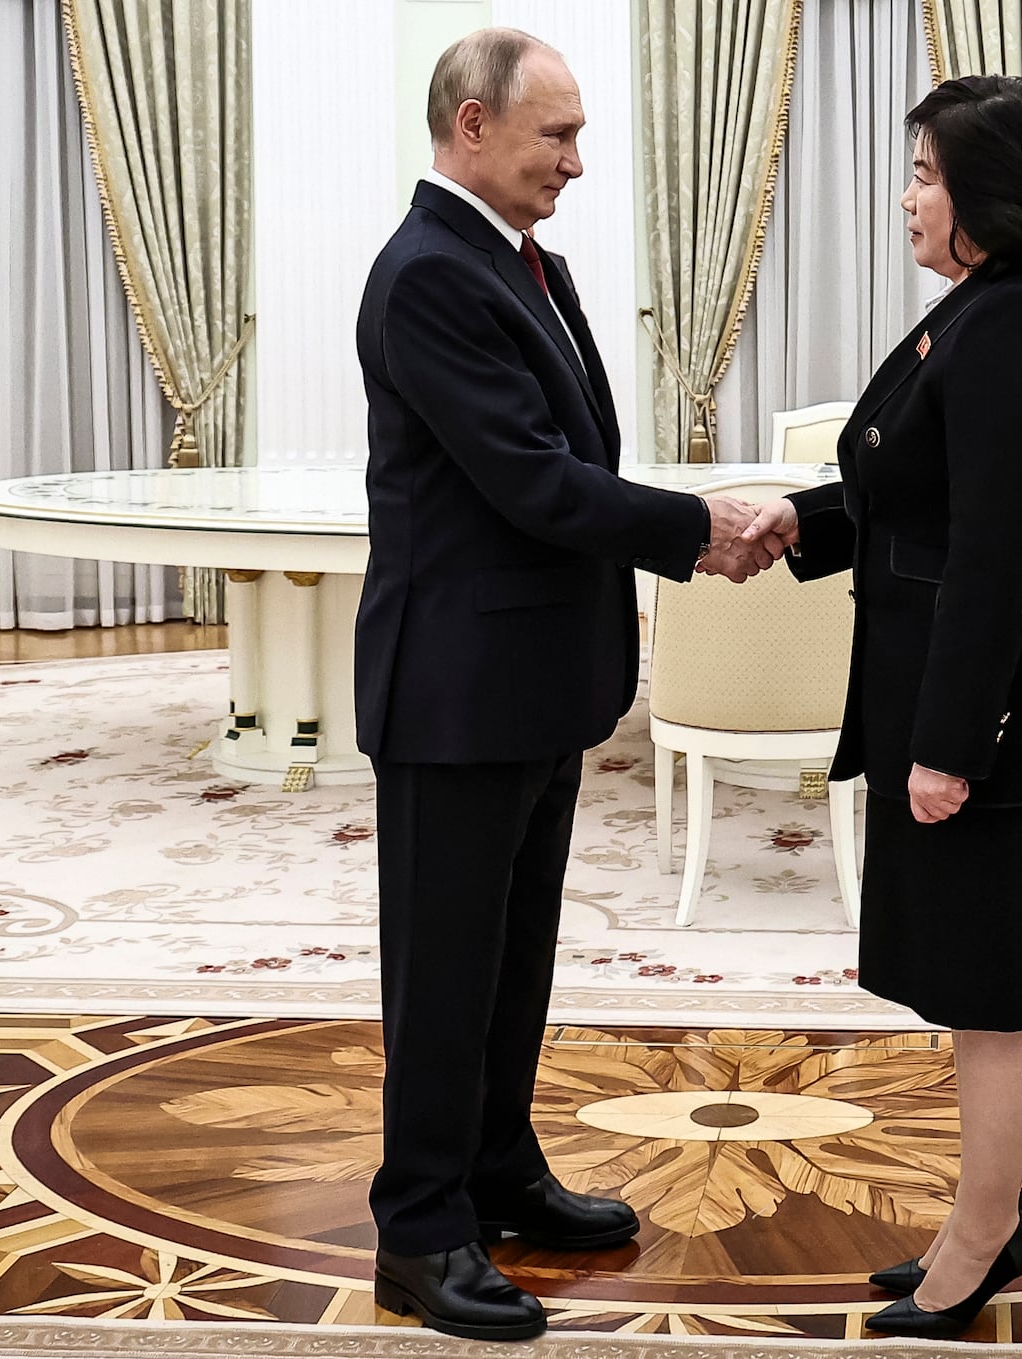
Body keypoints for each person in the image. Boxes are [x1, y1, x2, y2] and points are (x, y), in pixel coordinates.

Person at [354, 27, 778, 1343]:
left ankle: (498, 1168)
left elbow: (565, 456)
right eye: (559, 136)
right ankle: (421, 1226)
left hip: (529, 680)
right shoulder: (429, 273)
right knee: (443, 969)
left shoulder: (523, 262)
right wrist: (697, 525)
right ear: (472, 127)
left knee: (513, 952)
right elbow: (532, 479)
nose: (578, 162)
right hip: (456, 690)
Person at [742, 75, 1022, 1338]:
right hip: (941, 706)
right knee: (964, 987)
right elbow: (915, 493)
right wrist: (804, 519)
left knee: (997, 997)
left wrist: (949, 748)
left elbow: (997, 562)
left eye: (928, 177)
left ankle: (986, 1236)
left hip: (990, 733)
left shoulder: (1012, 328)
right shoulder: (982, 309)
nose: (908, 198)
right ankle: (987, 1216)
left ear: (989, 192)